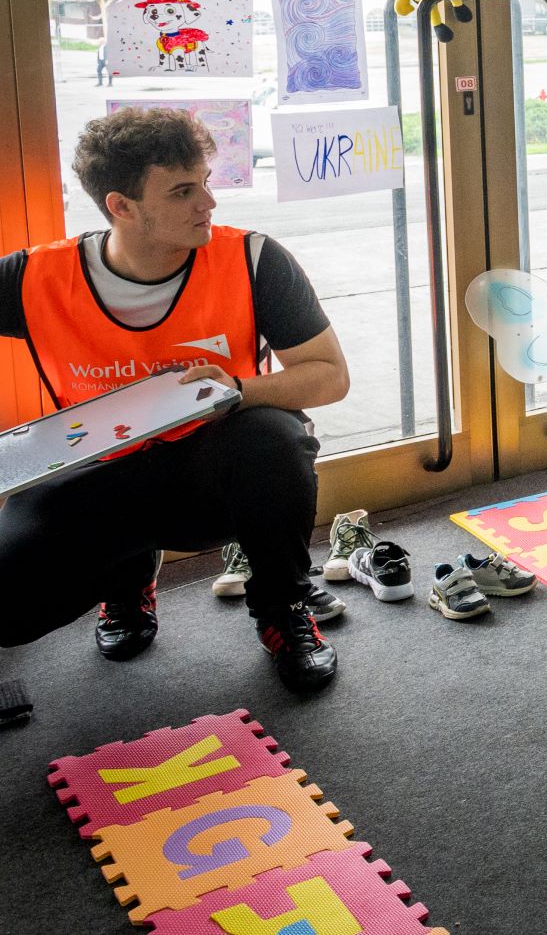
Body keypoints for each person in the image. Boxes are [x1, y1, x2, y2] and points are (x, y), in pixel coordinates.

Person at [0, 108, 350, 689]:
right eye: (184, 191)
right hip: (98, 476)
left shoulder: (253, 259)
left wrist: (237, 390)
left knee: (276, 438)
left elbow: (330, 376)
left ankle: (283, 609)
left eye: (206, 182)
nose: (208, 203)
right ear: (121, 206)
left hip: (211, 476)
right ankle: (127, 581)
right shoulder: (34, 277)